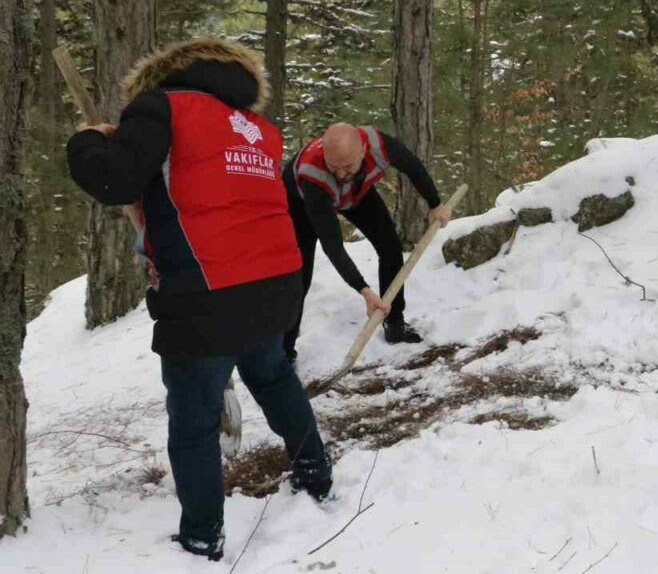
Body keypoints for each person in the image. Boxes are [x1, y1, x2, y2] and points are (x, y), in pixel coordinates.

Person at [66, 38, 331, 562]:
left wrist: (87, 141)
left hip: (206, 293)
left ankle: (202, 536)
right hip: (275, 282)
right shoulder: (259, 129)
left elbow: (113, 180)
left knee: (195, 421)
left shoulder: (160, 106)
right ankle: (317, 478)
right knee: (276, 380)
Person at [282, 122, 451, 357]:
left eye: (347, 166)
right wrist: (363, 289)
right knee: (300, 276)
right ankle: (284, 353)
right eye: (334, 166)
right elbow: (333, 247)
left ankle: (395, 324)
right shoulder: (314, 176)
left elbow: (413, 167)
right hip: (302, 203)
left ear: (362, 150)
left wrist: (435, 203)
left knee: (390, 247)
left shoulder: (380, 145)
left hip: (356, 193)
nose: (341, 174)